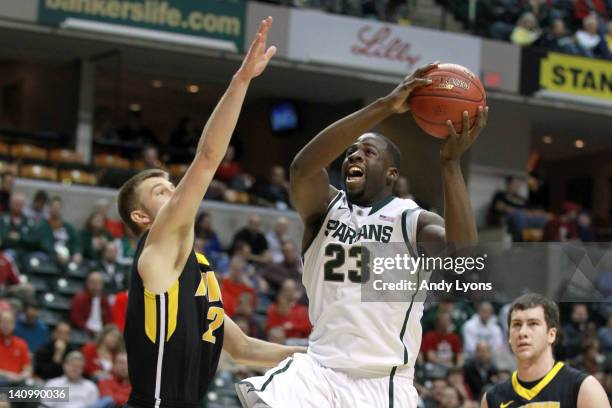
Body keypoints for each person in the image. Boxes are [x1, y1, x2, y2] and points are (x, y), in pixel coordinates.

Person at [237, 61, 486, 407]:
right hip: (318, 371)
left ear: (391, 174)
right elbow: (302, 168)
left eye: (368, 152)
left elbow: (464, 255)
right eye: (351, 151)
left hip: (382, 382)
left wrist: (450, 164)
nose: (354, 155)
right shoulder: (323, 209)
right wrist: (385, 105)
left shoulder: (411, 220)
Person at [116, 17, 302, 408]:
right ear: (141, 217)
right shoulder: (156, 251)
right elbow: (207, 158)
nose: (174, 192)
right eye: (161, 191)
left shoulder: (198, 269)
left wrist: (321, 359)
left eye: (171, 185)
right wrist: (241, 81)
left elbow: (245, 349)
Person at [482, 293, 609, 408]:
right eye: (516, 324)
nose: (522, 332)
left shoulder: (584, 388)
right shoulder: (491, 399)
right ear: (509, 336)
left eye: (533, 324)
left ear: (551, 335)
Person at [42, 351, 111, 408]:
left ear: (83, 368)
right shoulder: (53, 384)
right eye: (72, 365)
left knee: (107, 400)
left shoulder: (90, 387)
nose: (75, 369)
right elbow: (44, 406)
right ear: (64, 366)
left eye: (78, 366)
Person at [0, 309, 32, 385]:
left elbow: (27, 367)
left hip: (17, 382)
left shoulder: (22, 344)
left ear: (14, 324)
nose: (6, 325)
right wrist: (9, 375)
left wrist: (24, 375)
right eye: (3, 322)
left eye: (9, 322)